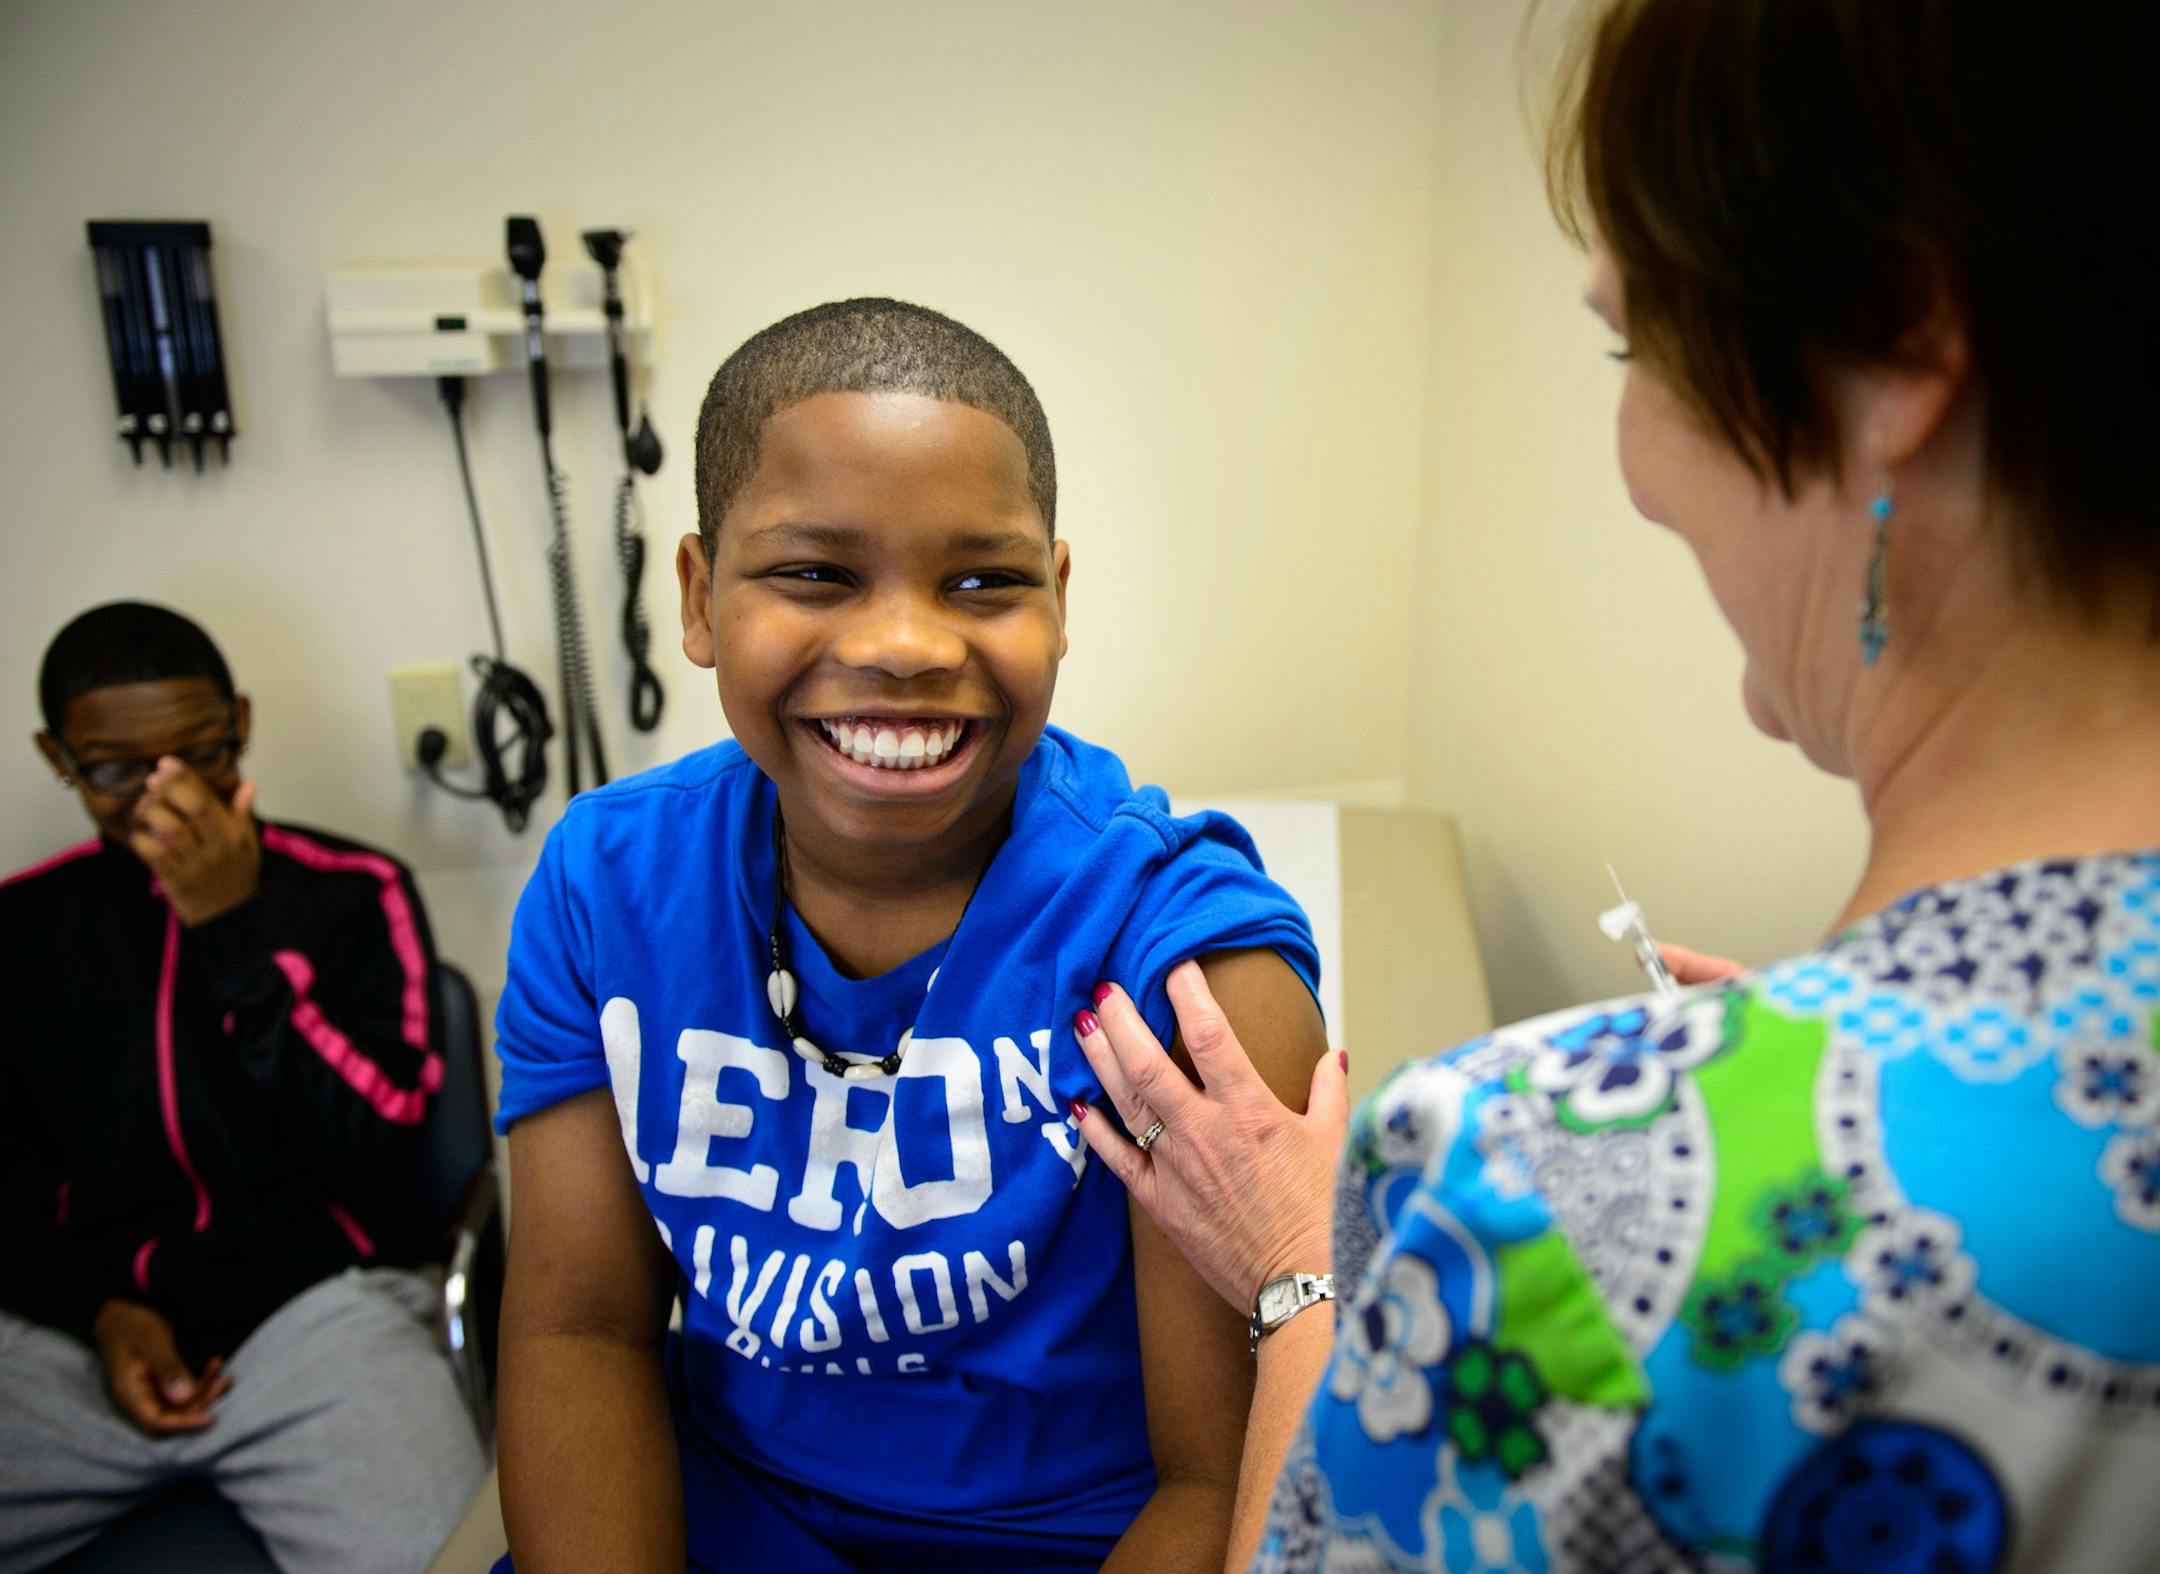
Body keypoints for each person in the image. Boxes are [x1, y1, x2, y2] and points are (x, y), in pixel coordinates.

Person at [1070, 3, 2160, 1570]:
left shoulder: (1536, 1193)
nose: (1632, 446)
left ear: (1898, 339)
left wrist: (1311, 1269)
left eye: (1634, 337)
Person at [490, 298, 1330, 1572]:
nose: (902, 645)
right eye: (817, 573)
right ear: (700, 595)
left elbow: (1217, 1476)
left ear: (1057, 597)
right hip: (723, 1523)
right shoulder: (605, 889)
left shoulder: (1191, 969)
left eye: (981, 581)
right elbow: (580, 1334)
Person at [0, 601, 485, 1572]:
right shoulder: (24, 927)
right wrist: (99, 1309)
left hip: (315, 1318)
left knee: (451, 1557)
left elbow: (380, 1150)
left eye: (201, 751)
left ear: (243, 723)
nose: (164, 792)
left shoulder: (353, 891)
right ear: (59, 757)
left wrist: (231, 932)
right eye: (116, 769)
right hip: (83, 1335)